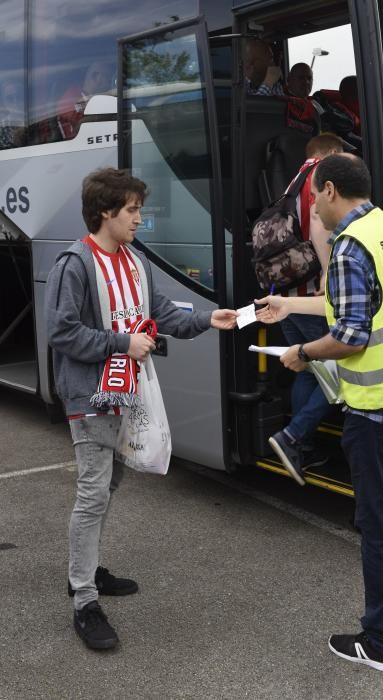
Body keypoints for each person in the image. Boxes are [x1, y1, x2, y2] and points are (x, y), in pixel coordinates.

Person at [256, 154, 383, 672]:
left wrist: (300, 354)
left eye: (312, 199)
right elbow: (365, 303)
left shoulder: (349, 246)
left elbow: (351, 334)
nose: (312, 211)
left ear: (329, 190)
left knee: (380, 526)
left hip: (382, 412)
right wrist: (291, 306)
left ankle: (382, 644)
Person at [45, 167, 238, 650]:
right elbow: (62, 332)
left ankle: (86, 571)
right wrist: (121, 342)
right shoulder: (76, 263)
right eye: (131, 209)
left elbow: (163, 314)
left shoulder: (135, 261)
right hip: (91, 396)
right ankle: (84, 599)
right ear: (105, 212)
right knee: (93, 492)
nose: (139, 217)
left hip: (127, 391)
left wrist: (207, 320)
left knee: (109, 484)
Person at [268, 133, 344, 484]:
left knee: (306, 369)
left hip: (287, 291)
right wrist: (330, 275)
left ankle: (305, 447)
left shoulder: (289, 181)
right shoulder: (319, 175)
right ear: (329, 153)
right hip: (313, 295)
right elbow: (317, 227)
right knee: (336, 371)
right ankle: (294, 437)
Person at [56, 61, 114, 139]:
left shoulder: (98, 100)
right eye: (109, 78)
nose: (111, 85)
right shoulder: (70, 102)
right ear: (97, 78)